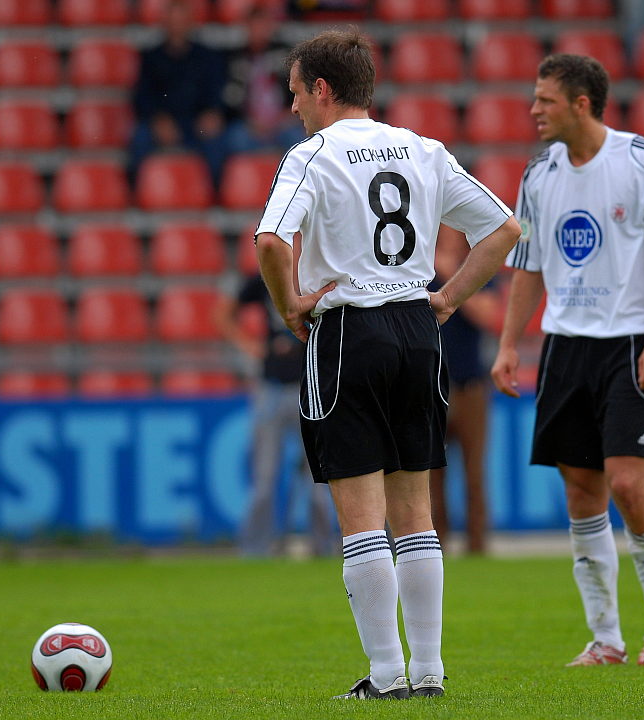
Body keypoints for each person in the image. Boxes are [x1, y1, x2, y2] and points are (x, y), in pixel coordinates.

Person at [255, 28, 520, 699]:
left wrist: (288, 306)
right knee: (416, 515)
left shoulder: (311, 155)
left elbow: (270, 241)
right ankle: (428, 673)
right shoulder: (424, 149)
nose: (293, 107)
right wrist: (449, 298)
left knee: (362, 517)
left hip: (348, 331)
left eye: (296, 93)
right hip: (416, 329)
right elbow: (505, 230)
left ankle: (385, 675)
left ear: (322, 89)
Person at [491, 54, 644, 668]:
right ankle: (606, 637)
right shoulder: (539, 173)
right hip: (565, 345)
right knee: (582, 492)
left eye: (545, 100)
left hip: (631, 343)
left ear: (581, 105)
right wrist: (510, 343)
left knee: (628, 484)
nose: (533, 110)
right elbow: (528, 266)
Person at [214, 271, 335, 557]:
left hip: (310, 385)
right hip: (275, 387)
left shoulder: (314, 274)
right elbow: (222, 313)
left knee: (318, 478)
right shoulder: (265, 278)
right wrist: (249, 345)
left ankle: (322, 546)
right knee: (266, 477)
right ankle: (256, 549)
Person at [429, 225, 502, 555]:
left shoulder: (478, 266)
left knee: (474, 472)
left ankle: (477, 545)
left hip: (470, 385)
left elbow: (488, 315)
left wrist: (452, 278)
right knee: (430, 475)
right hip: (430, 386)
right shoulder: (418, 267)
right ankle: (434, 546)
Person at [128, 0, 228, 187]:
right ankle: (137, 191)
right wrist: (157, 119)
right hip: (161, 123)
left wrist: (211, 113)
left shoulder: (206, 56)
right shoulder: (151, 58)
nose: (177, 26)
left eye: (181, 21)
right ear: (164, 23)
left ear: (190, 22)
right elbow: (142, 96)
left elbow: (216, 92)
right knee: (140, 137)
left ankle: (214, 194)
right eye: (173, 21)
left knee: (217, 141)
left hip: (196, 123)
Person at [223, 5, 305, 156]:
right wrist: (250, 121)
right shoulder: (235, 59)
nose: (259, 31)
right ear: (246, 28)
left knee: (298, 140)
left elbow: (300, 91)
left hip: (283, 121)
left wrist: (284, 116)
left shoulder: (287, 55)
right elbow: (231, 100)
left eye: (262, 26)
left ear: (270, 27)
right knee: (235, 138)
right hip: (248, 123)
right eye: (254, 26)